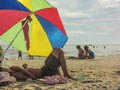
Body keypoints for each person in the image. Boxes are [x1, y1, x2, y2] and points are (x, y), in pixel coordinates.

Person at [1, 48, 75, 81]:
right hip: (44, 72)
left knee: (55, 49)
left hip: (44, 69)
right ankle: (66, 74)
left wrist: (25, 67)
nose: (5, 69)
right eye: (4, 69)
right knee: (59, 51)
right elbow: (32, 78)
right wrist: (20, 69)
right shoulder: (15, 75)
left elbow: (29, 72)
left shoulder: (15, 72)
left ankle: (57, 71)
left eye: (4, 68)